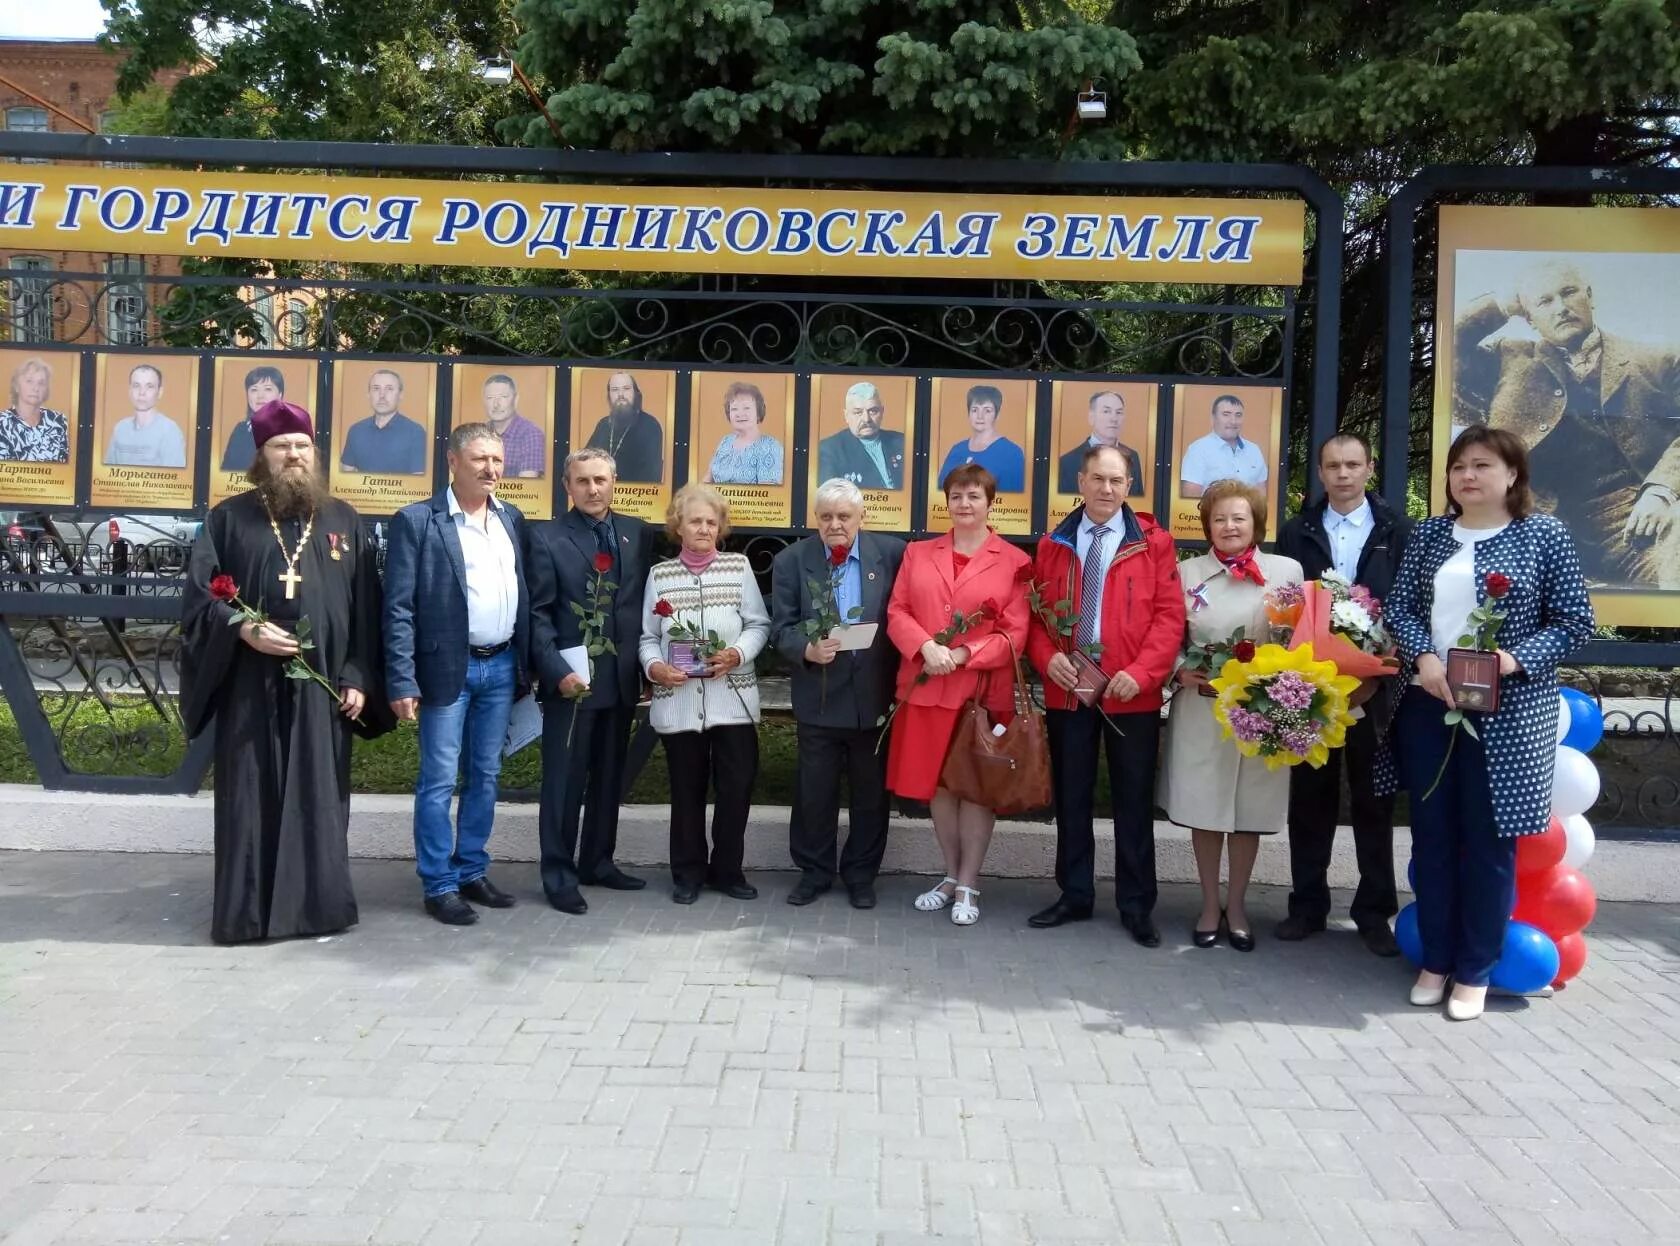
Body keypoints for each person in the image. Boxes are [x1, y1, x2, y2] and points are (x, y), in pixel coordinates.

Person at [1379, 425, 1593, 1021]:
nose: (1467, 477)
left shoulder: (1541, 535)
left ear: (1512, 475)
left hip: (1508, 713)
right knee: (1434, 837)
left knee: (1489, 844)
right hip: (1429, 703)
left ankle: (1475, 968)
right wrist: (1421, 655)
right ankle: (1437, 960)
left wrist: (1514, 658)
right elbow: (1400, 606)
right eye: (1457, 467)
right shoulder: (1428, 536)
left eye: (1480, 466)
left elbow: (1574, 619)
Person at [179, 399, 393, 944]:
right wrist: (242, 629)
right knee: (250, 794)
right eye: (282, 446)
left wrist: (355, 676)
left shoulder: (344, 518)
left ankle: (317, 909)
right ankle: (247, 914)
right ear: (261, 456)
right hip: (249, 687)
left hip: (322, 689)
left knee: (318, 794)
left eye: (302, 445)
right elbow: (200, 600)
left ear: (314, 453)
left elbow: (367, 608)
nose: (294, 455)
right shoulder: (229, 519)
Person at [1026, 444, 1184, 947]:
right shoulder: (1053, 542)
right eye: (1099, 479)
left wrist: (1142, 672)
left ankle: (1136, 905)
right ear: (1081, 480)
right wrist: (1046, 655)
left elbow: (1169, 616)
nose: (1108, 490)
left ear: (1130, 484)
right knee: (1072, 797)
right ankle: (1074, 894)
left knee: (1132, 802)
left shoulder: (1154, 543)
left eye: (1117, 481)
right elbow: (1035, 615)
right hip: (1070, 689)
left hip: (1129, 692)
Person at [1453, 259, 1680, 588]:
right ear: (1528, 318)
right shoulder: (1507, 358)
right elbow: (1448, 341)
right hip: (1536, 527)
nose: (1561, 308)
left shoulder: (1657, 360)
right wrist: (1504, 305)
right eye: (1545, 301)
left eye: (1569, 293)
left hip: (1634, 526)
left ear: (1589, 296)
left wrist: (1661, 491)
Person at [383, 422, 530, 926]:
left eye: (497, 460)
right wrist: (401, 678)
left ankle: (471, 869)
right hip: (448, 669)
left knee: (486, 774)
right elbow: (399, 607)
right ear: (453, 462)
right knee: (439, 779)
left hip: (502, 664)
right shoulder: (418, 521)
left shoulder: (511, 518)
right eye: (479, 460)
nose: (491, 469)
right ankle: (439, 882)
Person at [1275, 433, 1413, 956]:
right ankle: (1307, 906)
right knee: (1310, 799)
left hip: (1376, 689)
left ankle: (1374, 913)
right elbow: (1285, 604)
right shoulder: (1298, 530)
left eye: (1352, 464)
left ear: (1369, 468)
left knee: (1373, 802)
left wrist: (1381, 664)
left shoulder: (1398, 530)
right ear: (1319, 471)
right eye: (1332, 465)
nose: (1342, 474)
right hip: (1311, 688)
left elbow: (1408, 599)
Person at [1158, 479, 1303, 952]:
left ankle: (1236, 906)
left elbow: (1301, 640)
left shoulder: (1286, 571)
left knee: (1247, 811)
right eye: (1219, 518)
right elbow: (1167, 635)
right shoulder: (1186, 573)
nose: (1228, 526)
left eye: (1239, 517)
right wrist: (1180, 670)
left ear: (1256, 522)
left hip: (1262, 711)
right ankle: (1206, 903)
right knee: (1205, 807)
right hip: (1203, 710)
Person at [884, 464, 1031, 927]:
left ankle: (970, 881)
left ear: (991, 503)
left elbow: (1016, 633)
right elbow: (897, 610)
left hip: (980, 692)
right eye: (956, 496)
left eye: (974, 496)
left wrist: (965, 652)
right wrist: (925, 647)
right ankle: (948, 875)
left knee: (975, 789)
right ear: (945, 502)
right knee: (940, 790)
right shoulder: (918, 552)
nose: (964, 504)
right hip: (926, 686)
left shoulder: (1013, 560)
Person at [526, 448, 656, 914]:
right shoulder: (546, 538)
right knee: (565, 781)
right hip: (572, 683)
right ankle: (558, 874)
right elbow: (538, 615)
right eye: (582, 481)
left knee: (607, 778)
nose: (593, 489)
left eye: (600, 479)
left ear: (614, 481)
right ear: (567, 486)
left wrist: (644, 667)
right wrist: (557, 672)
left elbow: (638, 607)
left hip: (620, 679)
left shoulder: (635, 532)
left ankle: (598, 861)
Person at [770, 478, 905, 909]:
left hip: (873, 698)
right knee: (815, 793)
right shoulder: (793, 561)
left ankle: (861, 875)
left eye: (843, 516)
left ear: (862, 517)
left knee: (870, 795)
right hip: (819, 696)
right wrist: (805, 648)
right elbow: (781, 627)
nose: (835, 525)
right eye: (826, 517)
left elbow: (903, 614)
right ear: (815, 519)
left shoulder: (893, 555)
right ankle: (814, 872)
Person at [638, 484, 770, 904]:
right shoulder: (661, 575)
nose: (704, 529)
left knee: (735, 789)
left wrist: (735, 653)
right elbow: (647, 636)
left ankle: (728, 871)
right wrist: (655, 666)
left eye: (712, 522)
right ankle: (688, 873)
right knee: (686, 791)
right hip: (680, 704)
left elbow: (758, 625)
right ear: (678, 526)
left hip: (733, 700)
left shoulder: (738, 567)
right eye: (695, 521)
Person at [817, 381, 906, 490]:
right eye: (858, 412)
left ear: (882, 412)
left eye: (873, 411)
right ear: (846, 415)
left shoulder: (903, 442)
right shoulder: (828, 450)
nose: (866, 419)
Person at [936, 383, 1025, 492]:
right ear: (968, 413)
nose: (980, 416)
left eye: (987, 410)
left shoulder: (1012, 453)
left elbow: (1013, 500)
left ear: (997, 414)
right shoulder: (957, 449)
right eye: (975, 410)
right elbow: (940, 489)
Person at [1057, 389, 1145, 496]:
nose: (1114, 418)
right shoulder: (1067, 462)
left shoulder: (1133, 456)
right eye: (1106, 411)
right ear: (1091, 417)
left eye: (1119, 412)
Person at [340, 368, 427, 475]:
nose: (382, 395)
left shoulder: (415, 432)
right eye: (376, 389)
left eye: (389, 389)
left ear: (400, 395)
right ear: (369, 394)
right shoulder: (356, 430)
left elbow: (419, 482)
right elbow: (346, 475)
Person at [1180, 393, 1269, 497]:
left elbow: (1261, 493)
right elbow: (1190, 496)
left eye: (1238, 415)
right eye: (1226, 414)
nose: (1233, 421)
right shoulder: (1198, 449)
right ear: (1213, 418)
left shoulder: (1254, 450)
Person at [585, 371, 664, 483]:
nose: (620, 394)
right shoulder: (603, 425)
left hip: (634, 497)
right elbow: (584, 462)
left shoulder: (650, 426)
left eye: (626, 388)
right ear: (609, 396)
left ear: (636, 394)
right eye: (615, 390)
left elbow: (651, 476)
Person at [105, 363, 187, 468]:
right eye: (136, 386)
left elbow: (174, 479)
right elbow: (107, 473)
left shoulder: (170, 431)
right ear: (129, 390)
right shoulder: (120, 428)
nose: (142, 392)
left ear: (160, 392)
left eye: (149, 386)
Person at [703, 381, 784, 485]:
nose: (739, 414)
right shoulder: (725, 441)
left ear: (758, 412)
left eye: (746, 408)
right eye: (734, 409)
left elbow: (767, 494)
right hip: (715, 501)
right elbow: (707, 480)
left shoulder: (771, 446)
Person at [0, 355, 70, 463]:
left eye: (41, 383)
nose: (35, 388)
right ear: (16, 386)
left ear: (46, 389)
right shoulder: (2, 422)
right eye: (29, 381)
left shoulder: (58, 420)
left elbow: (67, 466)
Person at [481, 373, 546, 479]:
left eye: (503, 397)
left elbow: (527, 484)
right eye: (490, 398)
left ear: (515, 400)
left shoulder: (531, 434)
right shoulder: (478, 433)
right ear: (484, 401)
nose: (496, 404)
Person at [220, 365, 285, 471]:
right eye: (254, 390)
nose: (260, 396)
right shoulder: (241, 429)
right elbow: (226, 470)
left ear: (280, 395)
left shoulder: (289, 430)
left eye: (268, 389)